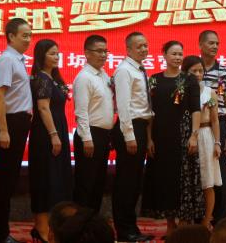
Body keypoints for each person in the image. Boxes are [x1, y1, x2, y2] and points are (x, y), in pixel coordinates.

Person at [142, 41, 203, 231]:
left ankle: (184, 222)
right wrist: (149, 138)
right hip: (160, 137)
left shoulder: (189, 79)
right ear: (164, 55)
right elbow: (149, 112)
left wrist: (194, 136)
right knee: (164, 179)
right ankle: (170, 223)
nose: (177, 57)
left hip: (183, 136)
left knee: (183, 179)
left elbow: (196, 110)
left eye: (180, 54)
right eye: (174, 54)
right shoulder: (154, 80)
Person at [0, 18, 34, 243]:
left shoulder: (18, 59)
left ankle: (2, 232)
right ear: (11, 36)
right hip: (11, 123)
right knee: (5, 181)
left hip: (20, 122)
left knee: (10, 179)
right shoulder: (7, 60)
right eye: (24, 35)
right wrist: (4, 131)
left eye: (30, 35)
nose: (28, 40)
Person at [29, 39, 73, 242]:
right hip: (46, 134)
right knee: (45, 179)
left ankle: (48, 227)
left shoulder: (52, 78)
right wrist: (53, 135)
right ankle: (41, 228)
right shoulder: (41, 78)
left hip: (57, 131)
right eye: (51, 53)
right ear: (41, 56)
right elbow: (43, 108)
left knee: (56, 179)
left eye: (57, 53)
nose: (56, 57)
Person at [111, 32, 154, 242]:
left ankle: (131, 227)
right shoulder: (124, 71)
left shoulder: (139, 69)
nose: (144, 49)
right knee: (126, 182)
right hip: (130, 128)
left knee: (135, 181)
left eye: (146, 45)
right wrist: (129, 136)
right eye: (139, 46)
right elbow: (124, 105)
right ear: (128, 49)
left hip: (140, 127)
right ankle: (124, 230)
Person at [72, 35, 114, 213]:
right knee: (86, 184)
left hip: (103, 135)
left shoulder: (104, 75)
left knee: (98, 183)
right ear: (87, 53)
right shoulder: (84, 77)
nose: (103, 55)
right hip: (89, 135)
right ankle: (80, 224)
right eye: (99, 51)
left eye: (105, 51)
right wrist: (87, 139)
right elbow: (81, 112)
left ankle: (93, 222)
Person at [198, 30, 226, 224]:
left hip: (218, 124)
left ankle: (219, 218)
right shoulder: (192, 68)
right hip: (196, 127)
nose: (214, 46)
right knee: (198, 172)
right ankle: (199, 217)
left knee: (218, 172)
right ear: (200, 45)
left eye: (217, 43)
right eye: (211, 43)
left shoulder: (225, 71)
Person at [184, 55, 221, 230]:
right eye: (194, 71)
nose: (198, 74)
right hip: (187, 136)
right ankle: (186, 221)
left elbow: (215, 120)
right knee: (188, 181)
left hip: (206, 135)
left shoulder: (209, 92)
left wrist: (217, 142)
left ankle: (207, 220)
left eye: (201, 71)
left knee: (207, 181)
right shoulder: (181, 91)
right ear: (186, 72)